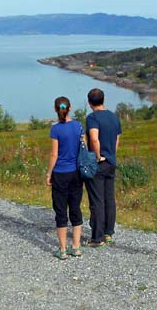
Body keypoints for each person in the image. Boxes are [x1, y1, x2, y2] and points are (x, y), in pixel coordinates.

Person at [47, 96, 84, 259]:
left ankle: (62, 249)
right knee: (75, 208)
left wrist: (49, 173)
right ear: (70, 108)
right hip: (76, 173)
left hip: (60, 174)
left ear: (56, 109)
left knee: (61, 210)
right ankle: (75, 247)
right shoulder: (78, 126)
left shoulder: (55, 129)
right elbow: (84, 146)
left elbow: (54, 154)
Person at [84, 88, 122, 247]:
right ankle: (108, 233)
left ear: (89, 102)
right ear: (103, 99)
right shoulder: (114, 117)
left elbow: (94, 139)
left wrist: (98, 156)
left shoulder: (92, 118)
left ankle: (97, 238)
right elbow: (117, 139)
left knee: (97, 200)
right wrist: (112, 155)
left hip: (98, 163)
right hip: (111, 162)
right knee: (109, 199)